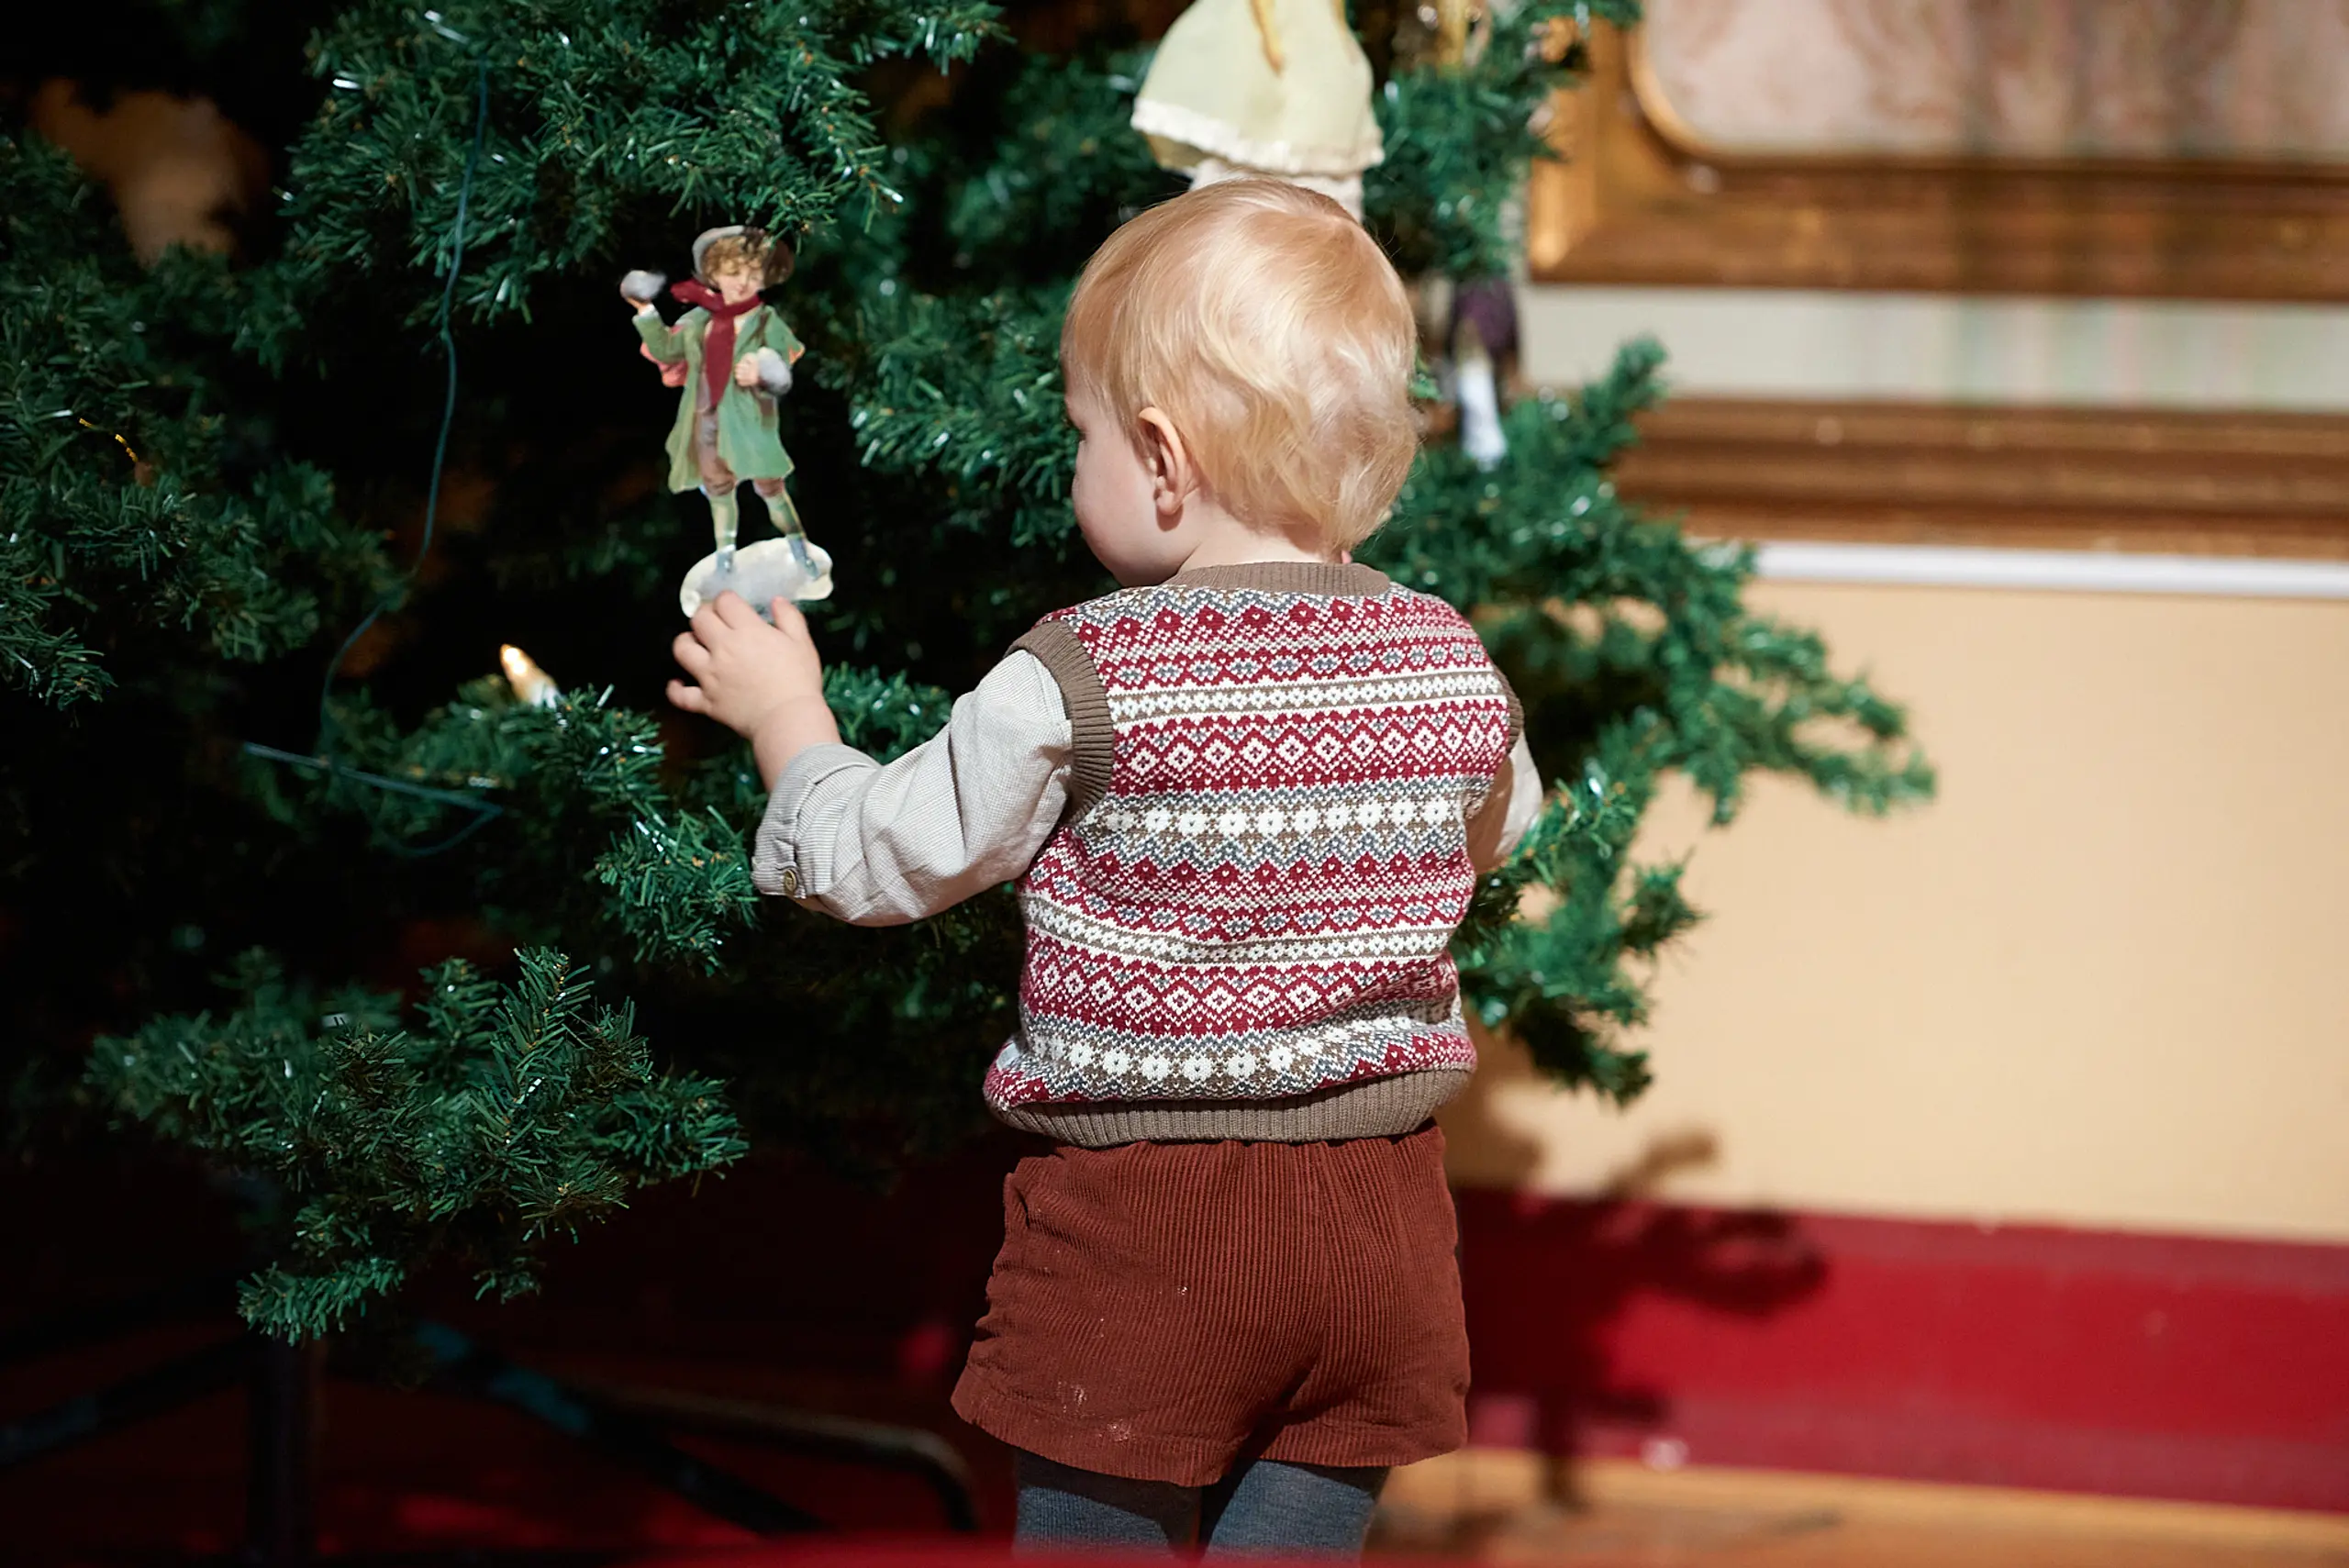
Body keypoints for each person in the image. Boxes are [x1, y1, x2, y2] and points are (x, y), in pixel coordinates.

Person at [667, 180, 1542, 1558]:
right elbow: (1497, 825)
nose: (1074, 462)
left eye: (1079, 434)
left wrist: (791, 721)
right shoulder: (1446, 654)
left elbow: (886, 856)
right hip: (1383, 1229)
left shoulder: (1087, 669)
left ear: (1161, 458)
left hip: (1152, 1240)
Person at [626, 225, 811, 576]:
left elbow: (785, 359)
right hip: (707, 422)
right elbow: (667, 347)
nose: (742, 282)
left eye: (752, 273)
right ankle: (726, 557)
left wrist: (766, 369)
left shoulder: (764, 321)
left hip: (751, 421)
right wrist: (645, 310)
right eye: (732, 272)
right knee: (719, 491)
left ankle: (798, 546)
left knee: (770, 487)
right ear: (714, 273)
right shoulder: (698, 321)